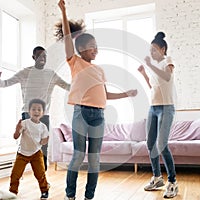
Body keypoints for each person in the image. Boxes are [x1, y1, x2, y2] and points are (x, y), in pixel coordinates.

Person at [56, 1, 138, 200]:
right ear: (82, 49)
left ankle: (89, 196)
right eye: (92, 47)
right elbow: (68, 38)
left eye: (97, 47)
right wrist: (64, 11)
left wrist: (126, 94)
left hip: (99, 116)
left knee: (94, 159)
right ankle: (70, 195)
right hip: (81, 113)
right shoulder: (75, 62)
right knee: (77, 156)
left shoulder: (100, 70)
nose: (96, 50)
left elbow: (105, 94)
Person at [0, 46, 70, 171]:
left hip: (44, 116)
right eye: (39, 55)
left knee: (43, 146)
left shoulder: (51, 74)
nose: (42, 58)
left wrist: (82, 85)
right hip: (27, 114)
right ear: (33, 57)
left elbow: (67, 86)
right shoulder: (24, 73)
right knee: (25, 144)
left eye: (44, 56)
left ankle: (42, 175)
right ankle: (19, 171)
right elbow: (5, 83)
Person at [137, 32, 178, 198]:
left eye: (154, 50)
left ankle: (173, 182)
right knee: (150, 143)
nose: (151, 53)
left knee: (162, 145)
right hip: (153, 108)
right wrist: (144, 73)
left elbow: (167, 77)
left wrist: (150, 66)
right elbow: (153, 87)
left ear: (162, 49)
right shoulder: (154, 68)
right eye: (150, 50)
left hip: (166, 107)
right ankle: (157, 177)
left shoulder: (167, 61)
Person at [9, 98, 50, 199]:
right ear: (29, 111)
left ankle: (44, 190)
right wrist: (17, 130)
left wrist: (46, 140)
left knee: (40, 174)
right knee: (15, 175)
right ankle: (12, 192)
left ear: (42, 113)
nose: (36, 111)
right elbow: (15, 137)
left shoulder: (43, 127)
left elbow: (43, 141)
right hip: (22, 153)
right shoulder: (25, 123)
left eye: (39, 109)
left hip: (36, 154)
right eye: (34, 109)